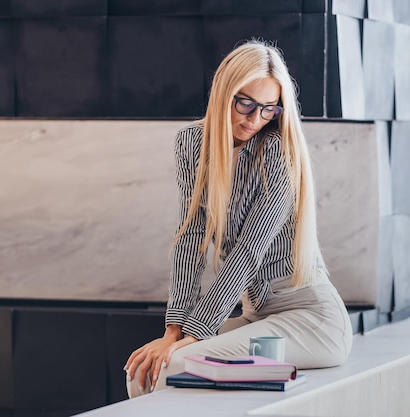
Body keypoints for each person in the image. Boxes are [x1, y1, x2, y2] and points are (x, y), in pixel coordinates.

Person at [124, 39, 353, 397]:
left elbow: (248, 251)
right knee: (142, 371)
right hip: (258, 316)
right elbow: (190, 238)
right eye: (246, 103)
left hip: (311, 319)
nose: (255, 119)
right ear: (223, 92)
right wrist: (173, 330)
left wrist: (196, 333)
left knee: (173, 365)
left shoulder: (278, 152)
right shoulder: (191, 144)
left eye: (268, 109)